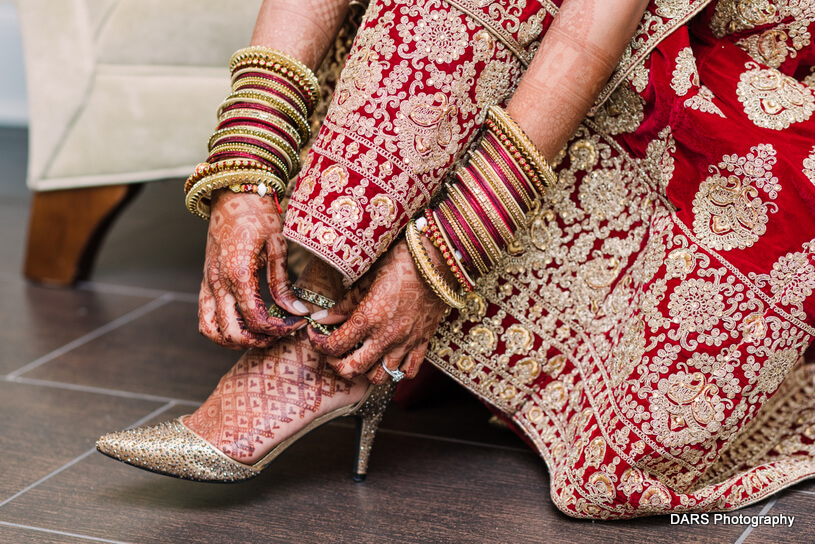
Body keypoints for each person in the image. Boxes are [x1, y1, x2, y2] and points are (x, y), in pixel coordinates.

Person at [97, 0, 815, 519]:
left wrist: (439, 262)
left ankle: (319, 340)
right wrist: (245, 174)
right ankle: (328, 306)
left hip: (705, 53)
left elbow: (587, 35)